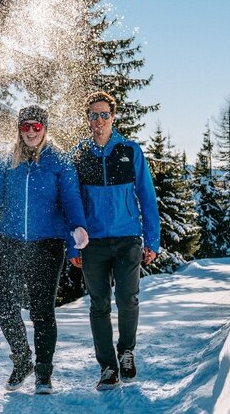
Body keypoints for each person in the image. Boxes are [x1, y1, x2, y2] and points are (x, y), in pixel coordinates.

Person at [0, 105, 89, 395]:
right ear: (18, 129)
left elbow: (71, 201)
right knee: (4, 306)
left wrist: (78, 231)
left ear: (45, 128)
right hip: (10, 243)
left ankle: (43, 373)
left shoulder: (60, 161)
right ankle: (22, 360)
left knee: (42, 311)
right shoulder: (6, 161)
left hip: (47, 245)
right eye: (25, 126)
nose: (31, 132)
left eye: (36, 126)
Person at [69, 91, 160, 391]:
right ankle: (107, 366)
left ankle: (127, 351)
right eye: (93, 115)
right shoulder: (79, 155)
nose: (98, 120)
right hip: (92, 243)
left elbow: (147, 197)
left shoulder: (130, 151)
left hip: (127, 239)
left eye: (104, 114)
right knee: (99, 305)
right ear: (88, 119)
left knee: (127, 299)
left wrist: (152, 240)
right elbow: (72, 204)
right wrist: (74, 244)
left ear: (113, 116)